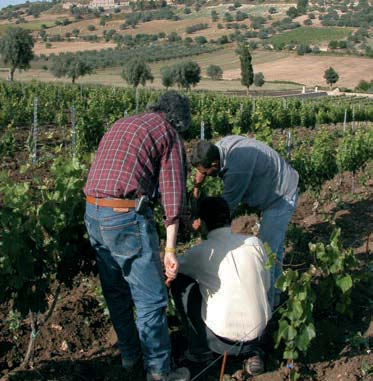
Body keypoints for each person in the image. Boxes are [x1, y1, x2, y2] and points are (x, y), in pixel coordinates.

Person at [84, 90, 191, 381]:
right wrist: (169, 250)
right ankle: (159, 371)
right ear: (179, 120)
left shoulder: (124, 123)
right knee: (151, 299)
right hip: (124, 216)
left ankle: (130, 357)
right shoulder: (168, 134)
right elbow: (172, 195)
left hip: (93, 213)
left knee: (116, 293)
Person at [190, 136, 299, 308]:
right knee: (274, 248)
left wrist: (204, 225)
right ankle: (277, 295)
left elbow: (225, 209)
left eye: (204, 173)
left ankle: (267, 307)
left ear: (215, 165)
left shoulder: (236, 170)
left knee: (265, 254)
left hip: (281, 196)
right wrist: (197, 187)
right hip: (275, 187)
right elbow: (201, 171)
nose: (201, 176)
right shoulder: (218, 149)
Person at [171, 197, 272, 378]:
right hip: (258, 334)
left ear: (201, 223)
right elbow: (266, 285)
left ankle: (199, 350)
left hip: (220, 342)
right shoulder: (254, 243)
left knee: (179, 280)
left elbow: (172, 266)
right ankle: (253, 354)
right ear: (230, 218)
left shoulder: (201, 252)